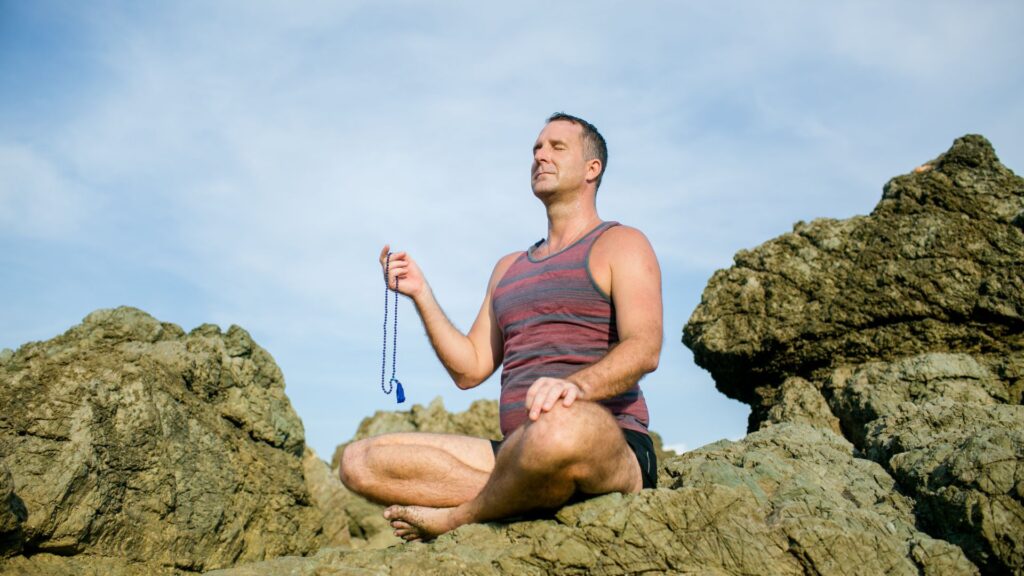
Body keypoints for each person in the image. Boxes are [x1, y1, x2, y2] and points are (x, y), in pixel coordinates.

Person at [339, 113, 663, 542]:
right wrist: (420, 294)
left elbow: (645, 348)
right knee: (359, 462)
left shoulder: (622, 243)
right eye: (536, 148)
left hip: (602, 438)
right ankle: (529, 493)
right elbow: (470, 369)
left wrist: (577, 389)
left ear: (592, 169)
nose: (540, 155)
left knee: (562, 429)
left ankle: (460, 516)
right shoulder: (508, 268)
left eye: (556, 147)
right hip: (517, 451)